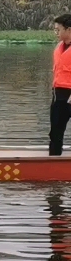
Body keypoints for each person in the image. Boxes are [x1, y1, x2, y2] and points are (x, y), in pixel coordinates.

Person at [50, 13, 71, 155]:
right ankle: (53, 162)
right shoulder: (59, 47)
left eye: (58, 29)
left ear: (69, 30)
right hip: (59, 94)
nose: (55, 33)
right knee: (55, 132)